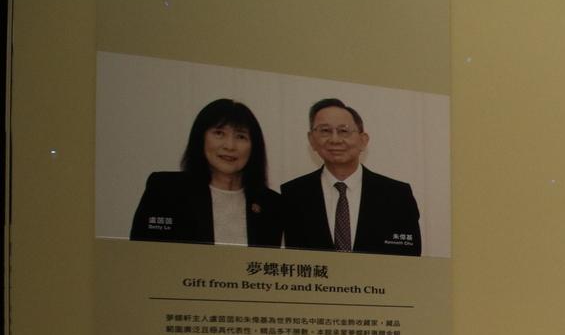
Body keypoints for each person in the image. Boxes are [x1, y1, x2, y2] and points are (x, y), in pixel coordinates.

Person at [129, 99, 282, 247]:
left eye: (241, 136)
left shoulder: (271, 204)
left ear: (254, 146)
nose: (230, 146)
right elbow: (141, 256)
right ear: (200, 137)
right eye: (219, 133)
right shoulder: (165, 191)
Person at [280, 98, 422, 255]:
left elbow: (409, 261)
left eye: (344, 131)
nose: (335, 140)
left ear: (363, 140)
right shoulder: (292, 194)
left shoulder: (397, 195)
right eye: (325, 131)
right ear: (312, 140)